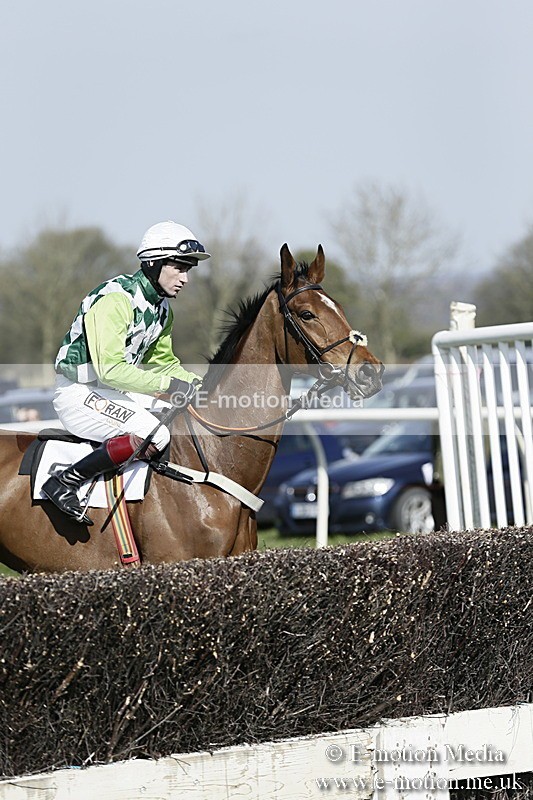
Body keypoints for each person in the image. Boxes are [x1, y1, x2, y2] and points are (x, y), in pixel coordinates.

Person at [42, 220, 210, 525]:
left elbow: (163, 364)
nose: (185, 278)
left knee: (181, 414)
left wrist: (202, 385)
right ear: (154, 263)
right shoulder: (116, 299)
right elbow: (110, 371)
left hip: (111, 392)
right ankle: (65, 481)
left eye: (188, 270)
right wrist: (168, 385)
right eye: (179, 268)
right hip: (78, 393)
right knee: (155, 433)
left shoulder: (162, 310)